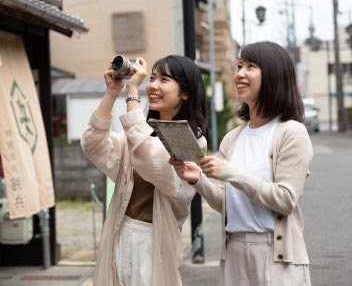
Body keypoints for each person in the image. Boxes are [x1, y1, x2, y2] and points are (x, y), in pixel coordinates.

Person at [171, 41, 313, 286]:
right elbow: (227, 205)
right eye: (238, 66)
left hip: (276, 253)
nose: (239, 74)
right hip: (234, 250)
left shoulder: (291, 133)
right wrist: (200, 180)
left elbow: (286, 199)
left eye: (250, 66)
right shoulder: (233, 138)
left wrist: (229, 172)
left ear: (273, 75)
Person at [81, 55, 207, 286]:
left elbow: (151, 158)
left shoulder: (193, 141)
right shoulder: (139, 132)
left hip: (152, 242)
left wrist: (131, 92)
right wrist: (112, 92)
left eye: (164, 80)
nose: (153, 86)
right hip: (120, 232)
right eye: (151, 78)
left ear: (185, 93)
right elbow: (93, 145)